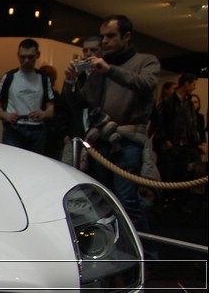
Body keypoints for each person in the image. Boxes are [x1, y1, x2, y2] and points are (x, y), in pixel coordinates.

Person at [61, 15, 160, 243]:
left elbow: (147, 84)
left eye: (111, 36)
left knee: (127, 201)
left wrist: (109, 70)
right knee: (101, 201)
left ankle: (145, 254)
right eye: (103, 36)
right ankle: (112, 249)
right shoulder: (98, 66)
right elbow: (80, 102)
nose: (105, 41)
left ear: (126, 36)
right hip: (100, 140)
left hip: (127, 141)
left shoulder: (146, 61)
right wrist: (71, 81)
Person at [0, 38, 55, 154]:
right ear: (18, 55)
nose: (26, 61)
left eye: (31, 57)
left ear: (38, 55)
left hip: (37, 130)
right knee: (11, 161)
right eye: (22, 57)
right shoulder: (9, 77)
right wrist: (6, 115)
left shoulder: (43, 78)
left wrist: (44, 114)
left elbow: (51, 108)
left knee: (35, 163)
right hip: (14, 129)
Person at [152, 73, 199, 208]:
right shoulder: (168, 102)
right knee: (168, 174)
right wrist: (165, 140)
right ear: (186, 84)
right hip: (171, 143)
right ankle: (163, 201)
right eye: (193, 84)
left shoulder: (188, 103)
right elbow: (159, 123)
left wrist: (194, 141)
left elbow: (191, 124)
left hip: (185, 144)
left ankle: (179, 202)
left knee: (182, 175)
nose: (194, 88)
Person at [57, 36, 102, 165]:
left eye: (93, 50)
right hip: (76, 135)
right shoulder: (78, 75)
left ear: (102, 52)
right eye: (85, 50)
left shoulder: (104, 75)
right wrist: (65, 133)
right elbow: (64, 105)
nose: (88, 54)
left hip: (97, 137)